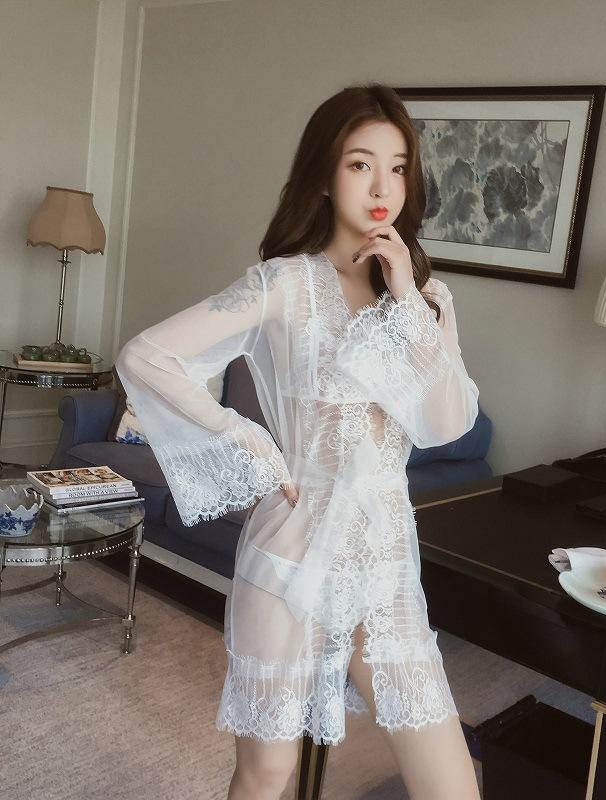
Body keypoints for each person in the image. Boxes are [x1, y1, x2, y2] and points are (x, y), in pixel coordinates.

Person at [115, 82, 481, 800]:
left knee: (451, 785)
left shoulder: (427, 299)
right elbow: (146, 357)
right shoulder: (284, 284)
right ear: (323, 175)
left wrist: (409, 297)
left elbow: (446, 422)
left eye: (398, 168)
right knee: (267, 775)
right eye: (360, 164)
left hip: (386, 567)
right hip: (290, 558)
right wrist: (248, 440)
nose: (383, 188)